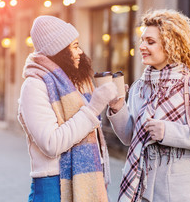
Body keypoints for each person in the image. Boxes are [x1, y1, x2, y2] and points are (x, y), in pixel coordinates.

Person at [108, 9, 190, 202]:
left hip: (178, 187)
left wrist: (168, 131)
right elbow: (129, 137)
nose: (142, 46)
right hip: (140, 182)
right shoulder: (140, 86)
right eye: (142, 40)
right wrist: (117, 107)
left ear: (171, 45)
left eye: (150, 42)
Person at [17, 15, 117, 202]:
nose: (80, 52)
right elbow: (51, 144)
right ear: (59, 51)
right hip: (53, 186)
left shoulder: (75, 83)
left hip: (87, 182)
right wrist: (93, 108)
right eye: (75, 46)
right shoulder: (35, 85)